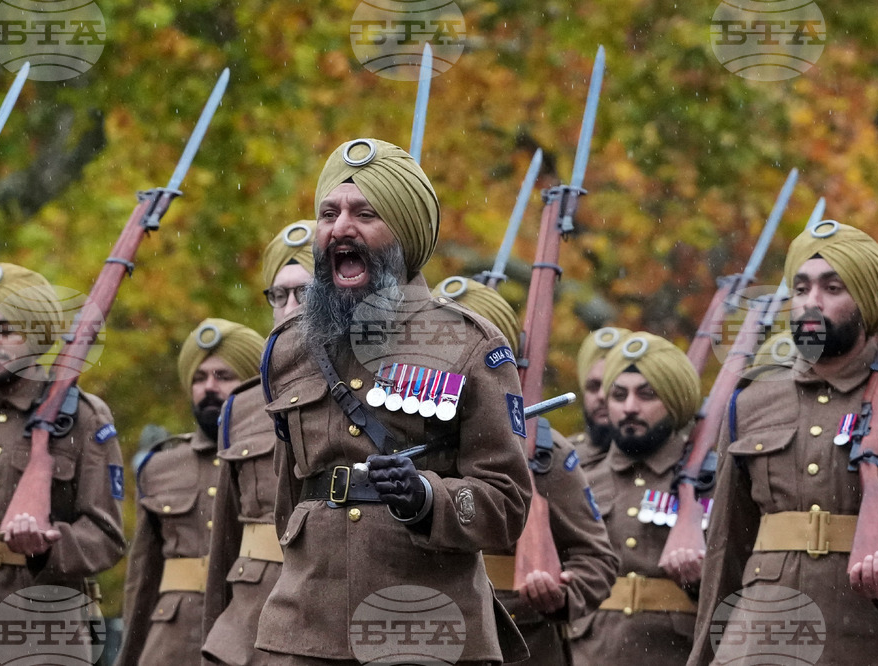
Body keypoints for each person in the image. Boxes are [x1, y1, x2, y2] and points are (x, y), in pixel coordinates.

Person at [257, 138, 533, 665]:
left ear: (403, 236)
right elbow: (287, 499)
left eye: (366, 213)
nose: (340, 228)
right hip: (304, 634)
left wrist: (429, 499)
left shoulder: (472, 346)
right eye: (329, 213)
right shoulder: (288, 348)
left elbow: (506, 503)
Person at [690, 220, 878, 665]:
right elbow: (726, 545)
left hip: (872, 637)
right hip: (758, 639)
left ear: (865, 303)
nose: (811, 303)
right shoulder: (752, 400)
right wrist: (704, 653)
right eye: (801, 288)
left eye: (832, 288)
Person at [0, 262, 125, 664]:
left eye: (4, 330)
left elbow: (107, 536)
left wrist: (48, 544)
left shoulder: (83, 418)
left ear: (36, 334)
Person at [432, 275, 617, 666]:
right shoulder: (399, 439)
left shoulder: (545, 453)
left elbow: (595, 559)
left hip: (519, 644)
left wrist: (563, 593)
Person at [118, 318, 265, 665]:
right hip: (172, 642)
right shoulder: (160, 466)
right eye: (199, 378)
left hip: (252, 633)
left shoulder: (277, 458)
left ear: (253, 386)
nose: (208, 388)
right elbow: (143, 579)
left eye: (223, 376)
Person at [202, 221, 315, 666]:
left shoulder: (372, 390)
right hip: (250, 630)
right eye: (279, 295)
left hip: (328, 623)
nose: (289, 308)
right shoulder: (241, 408)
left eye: (304, 294)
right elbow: (225, 545)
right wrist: (212, 637)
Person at [567, 332, 702, 665]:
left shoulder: (708, 479)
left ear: (674, 400)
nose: (629, 407)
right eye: (618, 394)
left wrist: (701, 577)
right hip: (591, 653)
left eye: (647, 394)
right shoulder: (579, 477)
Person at [569, 327, 630, 476]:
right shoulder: (560, 456)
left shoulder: (677, 463)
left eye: (615, 387)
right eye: (593, 386)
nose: (602, 395)